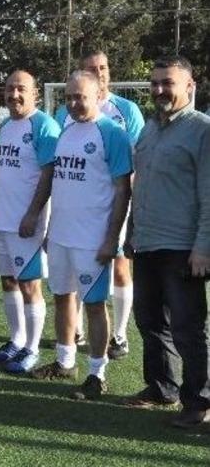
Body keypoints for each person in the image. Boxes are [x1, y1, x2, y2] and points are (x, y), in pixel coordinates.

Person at [30, 71, 132, 402]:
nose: (73, 103)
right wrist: (50, 231)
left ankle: (97, 374)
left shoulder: (112, 134)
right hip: (61, 236)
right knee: (62, 297)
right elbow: (60, 183)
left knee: (94, 305)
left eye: (81, 97)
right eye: (69, 97)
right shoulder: (66, 130)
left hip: (92, 239)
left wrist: (112, 239)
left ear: (98, 95)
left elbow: (123, 191)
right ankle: (65, 362)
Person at [124, 56, 210, 428]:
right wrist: (131, 232)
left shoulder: (202, 130)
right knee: (149, 320)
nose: (159, 90)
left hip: (183, 247)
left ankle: (199, 401)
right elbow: (140, 186)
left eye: (168, 83)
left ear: (190, 86)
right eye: (155, 82)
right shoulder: (149, 129)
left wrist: (203, 247)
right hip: (147, 243)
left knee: (188, 328)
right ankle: (162, 387)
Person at [56, 50, 145, 359]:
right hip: (72, 217)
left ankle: (119, 336)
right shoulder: (64, 115)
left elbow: (132, 164)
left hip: (111, 207)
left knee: (119, 268)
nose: (99, 72)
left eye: (103, 67)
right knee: (69, 281)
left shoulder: (124, 112)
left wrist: (120, 219)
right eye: (92, 68)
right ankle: (74, 338)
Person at [0, 71, 60, 373]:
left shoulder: (44, 125)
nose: (14, 95)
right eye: (9, 89)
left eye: (21, 89)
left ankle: (32, 349)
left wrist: (33, 214)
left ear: (35, 93)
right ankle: (16, 341)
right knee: (8, 281)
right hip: (4, 220)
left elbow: (49, 175)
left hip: (28, 223)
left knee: (29, 285)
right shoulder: (4, 126)